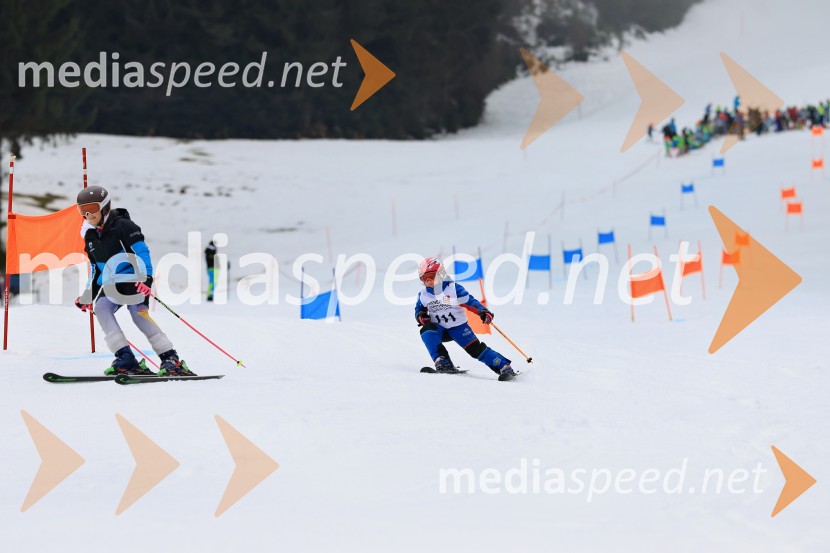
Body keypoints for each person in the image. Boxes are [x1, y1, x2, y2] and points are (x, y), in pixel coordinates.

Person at [74, 185, 195, 376]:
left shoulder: (124, 226)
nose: (88, 214)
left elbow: (142, 253)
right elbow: (97, 269)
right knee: (102, 308)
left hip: (134, 277)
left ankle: (170, 358)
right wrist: (87, 295)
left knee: (137, 312)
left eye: (92, 208)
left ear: (104, 207)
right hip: (112, 282)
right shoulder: (90, 236)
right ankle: (125, 358)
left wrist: (146, 280)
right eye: (83, 210)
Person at [414, 257, 515, 381]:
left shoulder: (453, 289)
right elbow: (419, 310)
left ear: (441, 273)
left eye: (431, 276)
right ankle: (443, 361)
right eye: (424, 278)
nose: (428, 280)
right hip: (439, 330)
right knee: (426, 330)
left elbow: (470, 302)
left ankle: (503, 366)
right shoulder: (423, 295)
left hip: (459, 328)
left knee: (475, 350)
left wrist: (483, 312)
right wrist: (421, 316)